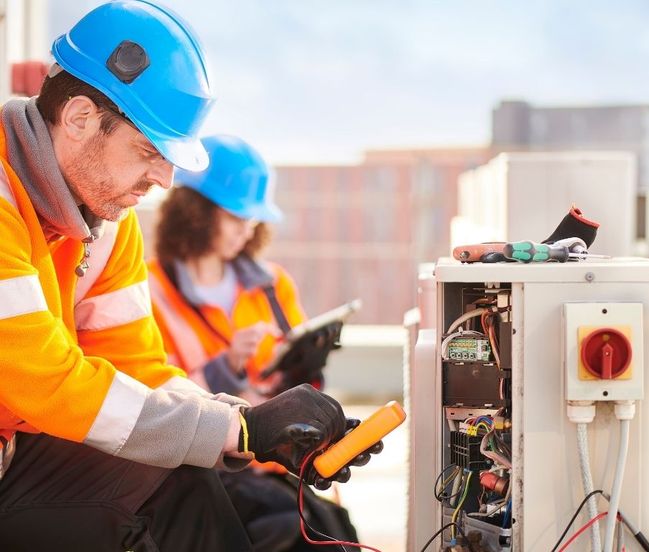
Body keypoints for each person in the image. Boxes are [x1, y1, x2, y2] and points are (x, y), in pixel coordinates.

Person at [0, 2, 375, 550]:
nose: (166, 178)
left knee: (183, 475)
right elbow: (45, 381)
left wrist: (254, 425)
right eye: (150, 150)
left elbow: (139, 371)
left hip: (13, 459)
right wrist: (237, 430)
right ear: (79, 119)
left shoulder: (104, 222)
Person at [148, 134, 363, 551]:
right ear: (195, 212)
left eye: (252, 220)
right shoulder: (149, 289)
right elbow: (153, 400)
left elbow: (296, 382)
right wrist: (225, 366)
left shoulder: (273, 285)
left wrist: (305, 369)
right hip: (206, 474)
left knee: (336, 535)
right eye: (235, 216)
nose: (246, 231)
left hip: (276, 470)